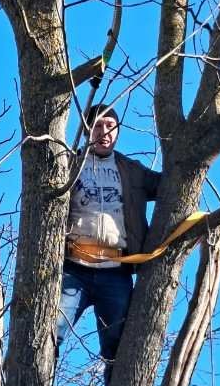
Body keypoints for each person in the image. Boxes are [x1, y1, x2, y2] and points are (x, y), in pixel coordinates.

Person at [59, 106, 160, 365]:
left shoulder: (132, 170)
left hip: (117, 272)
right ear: (86, 131)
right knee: (49, 331)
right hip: (74, 269)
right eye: (98, 126)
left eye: (110, 126)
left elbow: (170, 185)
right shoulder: (69, 165)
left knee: (118, 350)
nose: (104, 132)